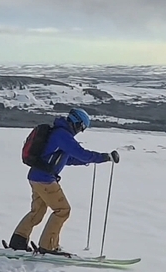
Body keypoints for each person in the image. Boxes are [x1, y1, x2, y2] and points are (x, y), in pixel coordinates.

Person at [7, 108, 119, 254]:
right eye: (82, 127)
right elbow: (82, 154)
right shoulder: (63, 135)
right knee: (62, 210)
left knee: (38, 211)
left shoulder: (59, 133)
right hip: (45, 180)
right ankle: (48, 247)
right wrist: (105, 157)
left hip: (36, 177)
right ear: (77, 123)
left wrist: (91, 160)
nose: (81, 131)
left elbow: (69, 158)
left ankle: (18, 242)